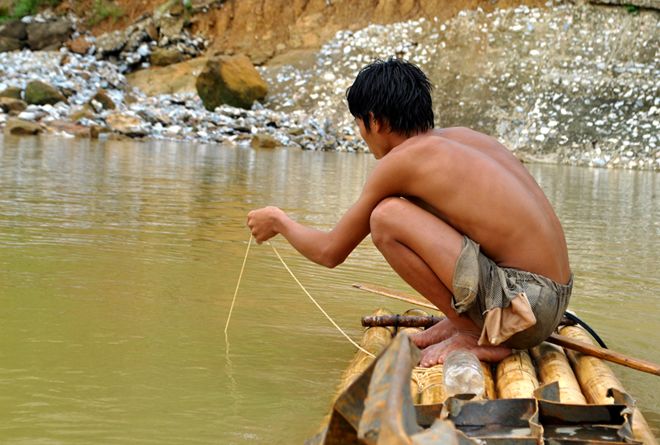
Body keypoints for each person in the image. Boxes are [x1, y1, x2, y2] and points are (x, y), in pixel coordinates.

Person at [247, 59, 572, 366]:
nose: (362, 135)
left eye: (360, 124)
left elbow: (331, 252)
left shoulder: (403, 161)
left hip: (524, 310)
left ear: (374, 120)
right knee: (407, 210)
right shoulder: (465, 140)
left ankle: (472, 332)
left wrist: (279, 221)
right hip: (553, 301)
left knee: (385, 218)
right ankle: (460, 321)